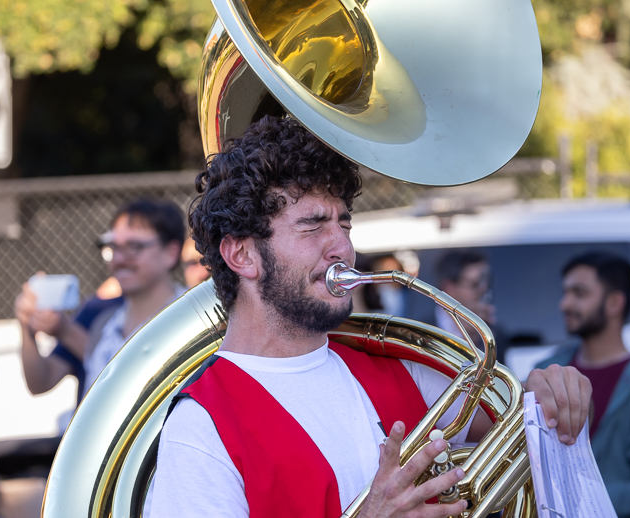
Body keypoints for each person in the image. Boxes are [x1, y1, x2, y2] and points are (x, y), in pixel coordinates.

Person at [150, 116, 592, 518]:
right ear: (242, 254)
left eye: (344, 223)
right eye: (312, 224)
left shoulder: (399, 370)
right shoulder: (202, 427)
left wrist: (546, 394)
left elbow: (515, 425)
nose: (342, 246)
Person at [536, 251, 630, 518]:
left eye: (579, 293)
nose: (564, 304)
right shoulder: (551, 368)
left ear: (614, 303)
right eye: (565, 292)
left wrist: (575, 503)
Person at [15, 198, 187, 401]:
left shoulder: (195, 320)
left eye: (134, 247)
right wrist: (27, 327)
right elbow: (40, 382)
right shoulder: (102, 319)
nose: (120, 259)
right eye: (113, 247)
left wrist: (67, 332)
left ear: (171, 252)